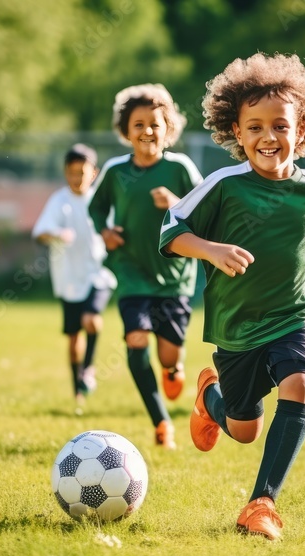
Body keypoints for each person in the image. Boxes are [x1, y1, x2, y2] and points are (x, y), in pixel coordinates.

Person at [160, 52, 305, 540]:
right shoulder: (223, 186)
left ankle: (261, 505)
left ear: (303, 132)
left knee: (300, 382)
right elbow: (171, 230)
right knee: (244, 429)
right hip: (237, 326)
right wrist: (210, 250)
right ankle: (209, 399)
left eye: (281, 126)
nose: (268, 137)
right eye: (254, 127)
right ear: (237, 132)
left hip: (303, 314)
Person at [88, 84, 203, 449]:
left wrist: (176, 203)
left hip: (174, 277)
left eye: (155, 124)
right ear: (126, 131)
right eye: (138, 124)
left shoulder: (180, 168)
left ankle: (173, 367)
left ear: (168, 128)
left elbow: (206, 210)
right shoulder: (115, 171)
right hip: (130, 270)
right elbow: (95, 207)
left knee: (168, 352)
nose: (147, 132)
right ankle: (161, 422)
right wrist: (105, 232)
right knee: (136, 340)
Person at [32, 143, 116, 410]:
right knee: (73, 338)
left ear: (94, 173)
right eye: (72, 172)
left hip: (98, 274)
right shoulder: (59, 201)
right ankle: (78, 388)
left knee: (91, 319)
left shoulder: (101, 200)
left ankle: (89, 370)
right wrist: (56, 234)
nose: (77, 178)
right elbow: (40, 232)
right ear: (65, 172)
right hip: (69, 280)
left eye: (82, 172)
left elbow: (116, 229)